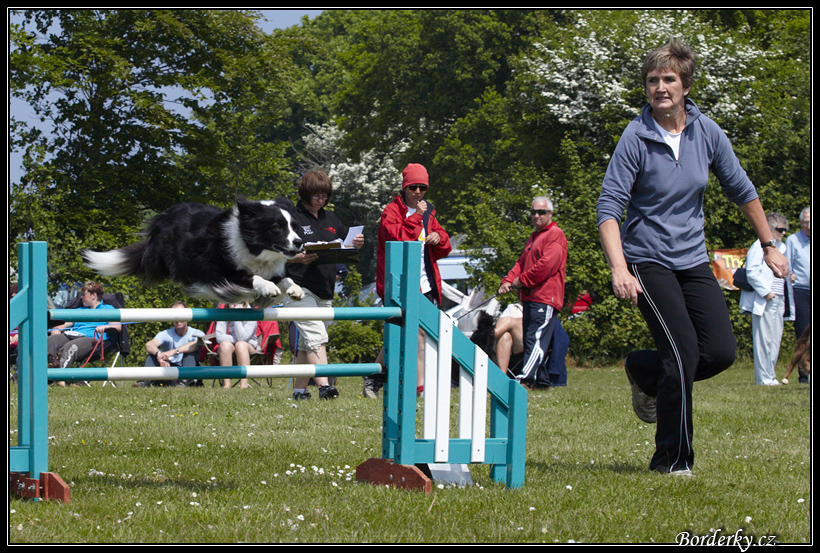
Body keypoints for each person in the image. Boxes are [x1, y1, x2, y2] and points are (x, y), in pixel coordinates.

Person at [596, 38, 790, 476]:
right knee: (682, 353)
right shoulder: (636, 135)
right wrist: (619, 268)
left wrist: (769, 245)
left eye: (669, 79)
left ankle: (643, 369)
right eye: (652, 80)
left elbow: (742, 190)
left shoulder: (707, 131)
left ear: (685, 85)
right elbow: (609, 207)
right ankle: (672, 461)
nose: (660, 87)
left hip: (691, 259)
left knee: (720, 352)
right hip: (647, 260)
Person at [370, 163, 452, 398]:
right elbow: (398, 238)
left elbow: (443, 247)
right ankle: (419, 387)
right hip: (398, 283)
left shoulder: (429, 212)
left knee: (413, 333)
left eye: (422, 187)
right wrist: (416, 216)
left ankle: (375, 378)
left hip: (425, 282)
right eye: (413, 187)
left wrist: (439, 237)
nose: (417, 192)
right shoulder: (391, 212)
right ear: (404, 187)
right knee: (411, 333)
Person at [285, 170, 364, 400]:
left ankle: (299, 392)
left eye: (324, 196)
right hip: (297, 287)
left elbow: (346, 245)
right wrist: (296, 257)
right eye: (316, 196)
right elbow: (274, 252)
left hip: (325, 288)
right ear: (305, 194)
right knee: (316, 336)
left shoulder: (331, 219)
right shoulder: (291, 218)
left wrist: (355, 243)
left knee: (308, 343)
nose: (320, 200)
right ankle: (325, 386)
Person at [498, 196, 567, 389]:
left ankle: (525, 378)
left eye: (542, 212)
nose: (537, 215)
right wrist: (508, 281)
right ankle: (542, 382)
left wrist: (520, 281)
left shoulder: (555, 234)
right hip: (530, 297)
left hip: (545, 298)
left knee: (535, 338)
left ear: (550, 214)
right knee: (532, 339)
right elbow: (521, 263)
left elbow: (546, 266)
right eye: (533, 212)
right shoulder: (534, 237)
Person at [739, 213, 795, 386]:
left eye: (785, 230)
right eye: (780, 229)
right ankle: (762, 378)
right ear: (769, 229)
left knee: (775, 339)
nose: (783, 233)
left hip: (780, 298)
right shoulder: (759, 246)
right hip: (765, 299)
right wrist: (766, 292)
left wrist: (790, 276)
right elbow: (752, 271)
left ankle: (771, 376)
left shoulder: (782, 247)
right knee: (763, 340)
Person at [47, 281, 122, 384]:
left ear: (94, 295)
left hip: (93, 340)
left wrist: (105, 327)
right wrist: (57, 328)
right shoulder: (80, 310)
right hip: (73, 335)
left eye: (84, 294)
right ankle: (45, 377)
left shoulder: (107, 309)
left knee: (71, 347)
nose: (81, 297)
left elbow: (118, 326)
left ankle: (61, 380)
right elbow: (66, 324)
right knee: (51, 341)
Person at [138, 300, 205, 387]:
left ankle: (186, 382)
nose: (178, 319)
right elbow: (149, 345)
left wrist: (173, 352)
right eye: (174, 315)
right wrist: (159, 355)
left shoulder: (197, 333)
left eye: (181, 314)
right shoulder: (166, 333)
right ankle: (144, 380)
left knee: (190, 354)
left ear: (188, 316)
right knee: (152, 355)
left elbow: (198, 343)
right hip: (169, 370)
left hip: (188, 370)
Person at [785, 206, 810, 383]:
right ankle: (803, 374)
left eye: (811, 222)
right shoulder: (793, 240)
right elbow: (788, 265)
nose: (809, 225)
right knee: (803, 332)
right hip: (801, 290)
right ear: (801, 223)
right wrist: (790, 275)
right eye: (806, 222)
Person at [216, 301, 259, 389]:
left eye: (238, 300)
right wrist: (234, 339)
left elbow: (243, 338)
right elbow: (219, 337)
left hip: (249, 346)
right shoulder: (224, 313)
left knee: (240, 345)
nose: (235, 303)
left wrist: (236, 316)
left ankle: (244, 384)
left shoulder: (251, 313)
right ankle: (227, 384)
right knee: (224, 345)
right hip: (232, 344)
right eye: (232, 300)